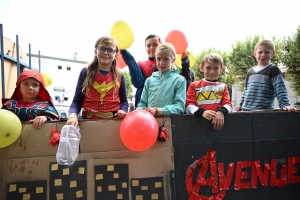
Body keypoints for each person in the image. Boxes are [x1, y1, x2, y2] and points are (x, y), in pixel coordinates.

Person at [67, 36, 128, 128]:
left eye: (110, 50)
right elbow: (77, 101)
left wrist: (123, 111)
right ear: (95, 51)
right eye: (102, 49)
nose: (105, 53)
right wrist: (72, 115)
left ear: (116, 55)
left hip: (112, 124)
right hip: (87, 124)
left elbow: (124, 102)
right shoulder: (85, 72)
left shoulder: (120, 75)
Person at [120, 34, 193, 107]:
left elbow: (185, 82)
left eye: (155, 45)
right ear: (145, 48)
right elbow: (138, 83)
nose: (151, 48)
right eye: (148, 46)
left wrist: (185, 62)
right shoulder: (140, 65)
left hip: (166, 110)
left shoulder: (172, 70)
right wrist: (126, 54)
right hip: (145, 106)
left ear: (160, 45)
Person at [236, 39, 297, 112]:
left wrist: (285, 104)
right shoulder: (250, 72)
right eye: (260, 52)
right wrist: (240, 106)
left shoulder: (273, 69)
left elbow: (280, 89)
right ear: (255, 54)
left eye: (267, 52)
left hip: (264, 112)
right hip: (246, 111)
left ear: (273, 53)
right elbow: (245, 91)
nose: (263, 55)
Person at [186, 53, 232, 130]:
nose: (212, 71)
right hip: (197, 126)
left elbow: (228, 105)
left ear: (221, 69)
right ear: (201, 68)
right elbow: (188, 106)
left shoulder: (223, 87)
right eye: (208, 68)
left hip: (217, 127)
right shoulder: (194, 85)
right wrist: (202, 112)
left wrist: (221, 112)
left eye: (216, 68)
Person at [137, 43, 186, 116]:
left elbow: (180, 106)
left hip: (168, 124)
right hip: (148, 123)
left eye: (166, 59)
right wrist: (140, 112)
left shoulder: (179, 80)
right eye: (158, 59)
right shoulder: (149, 81)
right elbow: (142, 103)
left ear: (173, 59)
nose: (161, 63)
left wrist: (159, 111)